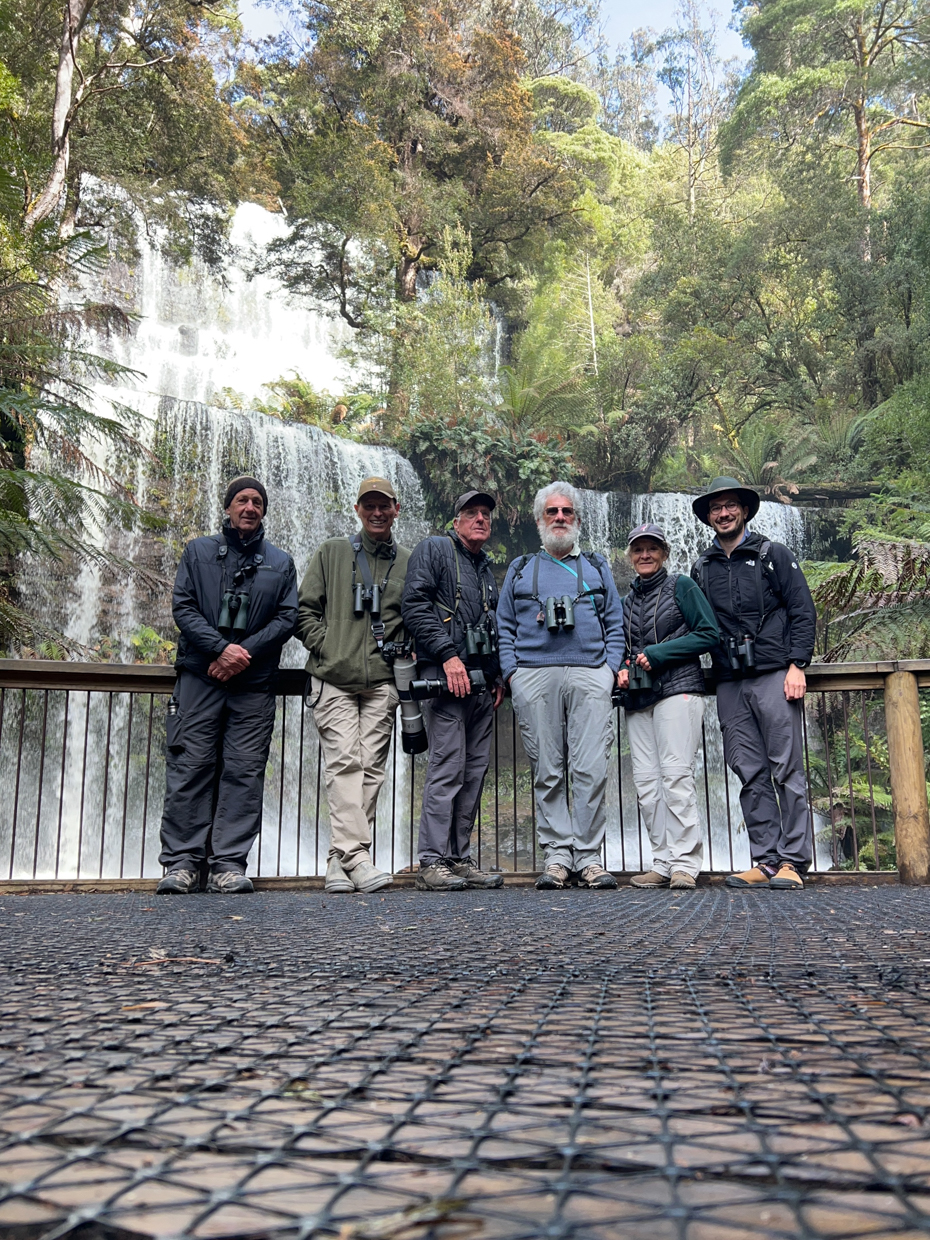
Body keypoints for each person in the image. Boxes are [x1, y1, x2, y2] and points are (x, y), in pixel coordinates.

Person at [156, 477, 298, 895]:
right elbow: (183, 605)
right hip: (200, 677)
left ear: (264, 510)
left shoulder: (281, 561)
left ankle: (228, 864)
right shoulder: (198, 551)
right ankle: (182, 863)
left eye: (257, 501)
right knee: (190, 766)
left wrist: (242, 654)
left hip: (253, 683)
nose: (250, 506)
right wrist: (220, 649)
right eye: (242, 500)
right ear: (228, 507)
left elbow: (287, 618)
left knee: (244, 772)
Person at [691, 476, 817, 890]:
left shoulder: (772, 555)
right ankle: (765, 860)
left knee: (787, 770)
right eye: (715, 508)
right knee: (750, 772)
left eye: (730, 506)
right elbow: (693, 624)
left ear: (744, 510)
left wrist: (797, 664)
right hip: (728, 681)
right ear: (708, 517)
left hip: (773, 676)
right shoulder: (702, 566)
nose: (723, 513)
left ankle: (794, 863)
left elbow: (802, 609)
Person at [497, 482, 624, 890]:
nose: (560, 518)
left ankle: (588, 857)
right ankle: (556, 856)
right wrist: (512, 674)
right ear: (539, 521)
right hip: (534, 674)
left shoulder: (598, 566)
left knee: (589, 767)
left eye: (567, 512)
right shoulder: (519, 569)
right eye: (551, 512)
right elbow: (502, 626)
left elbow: (616, 623)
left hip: (590, 672)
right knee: (547, 769)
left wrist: (609, 669)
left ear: (578, 520)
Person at [297, 477, 410, 894]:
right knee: (345, 762)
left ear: (396, 509)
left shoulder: (408, 562)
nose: (377, 512)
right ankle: (359, 857)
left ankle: (338, 861)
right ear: (358, 510)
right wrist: (328, 647)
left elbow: (414, 617)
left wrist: (405, 652)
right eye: (370, 505)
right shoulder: (333, 552)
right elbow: (304, 609)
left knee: (372, 770)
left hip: (382, 681)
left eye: (385, 506)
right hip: (333, 678)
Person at [402, 490, 505, 892]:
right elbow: (414, 605)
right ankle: (431, 861)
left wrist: (495, 674)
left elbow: (491, 627)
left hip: (480, 684)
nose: (480, 519)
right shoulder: (434, 550)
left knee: (474, 771)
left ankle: (458, 858)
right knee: (447, 767)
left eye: (485, 514)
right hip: (446, 678)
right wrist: (447, 655)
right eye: (471, 513)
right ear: (456, 520)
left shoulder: (484, 570)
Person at [618, 523, 719, 892]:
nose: (645, 555)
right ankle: (661, 861)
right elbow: (625, 649)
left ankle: (685, 864)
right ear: (630, 556)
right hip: (639, 698)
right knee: (647, 784)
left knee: (676, 777)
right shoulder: (626, 602)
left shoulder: (682, 586)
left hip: (679, 690)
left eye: (652, 549)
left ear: (664, 553)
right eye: (638, 549)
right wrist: (623, 669)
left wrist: (658, 654)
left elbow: (709, 633)